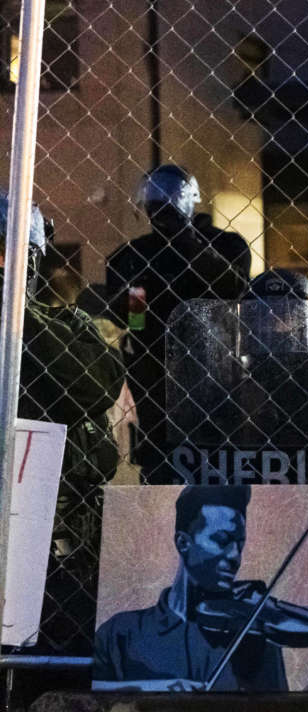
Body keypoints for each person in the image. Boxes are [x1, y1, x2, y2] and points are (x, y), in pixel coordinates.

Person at [0, 197, 124, 712]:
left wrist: (17, 315)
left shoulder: (61, 325)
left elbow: (96, 388)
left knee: (50, 654)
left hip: (53, 523)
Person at [92, 486, 308, 692]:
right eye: (222, 540)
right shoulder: (120, 633)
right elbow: (89, 702)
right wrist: (157, 689)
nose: (235, 555)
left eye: (240, 543)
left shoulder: (252, 635)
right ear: (183, 543)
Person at [105, 165, 251, 481]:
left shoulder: (225, 246)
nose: (161, 216)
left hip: (214, 369)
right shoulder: (134, 255)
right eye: (154, 208)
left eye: (167, 207)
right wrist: (140, 290)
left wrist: (187, 242)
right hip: (155, 376)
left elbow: (233, 287)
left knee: (216, 456)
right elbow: (133, 320)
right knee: (160, 464)